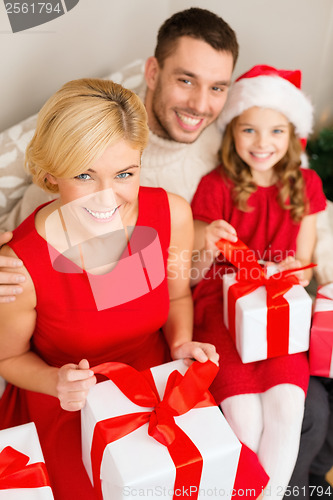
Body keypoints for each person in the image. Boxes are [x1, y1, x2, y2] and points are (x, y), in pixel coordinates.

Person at [0, 78, 220, 499]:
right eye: (84, 175)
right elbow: (8, 356)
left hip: (154, 382)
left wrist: (181, 344)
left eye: (124, 173)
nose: (105, 198)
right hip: (68, 405)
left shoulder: (171, 215)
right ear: (51, 175)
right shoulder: (20, 265)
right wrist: (56, 382)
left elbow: (176, 297)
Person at [190, 65, 327, 499]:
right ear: (232, 132)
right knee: (245, 415)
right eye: (249, 130)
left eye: (275, 132)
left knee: (288, 406)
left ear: (292, 136)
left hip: (278, 306)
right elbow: (193, 265)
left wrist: (288, 268)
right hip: (220, 304)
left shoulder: (306, 184)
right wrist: (209, 240)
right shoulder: (215, 186)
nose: (262, 143)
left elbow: (304, 264)